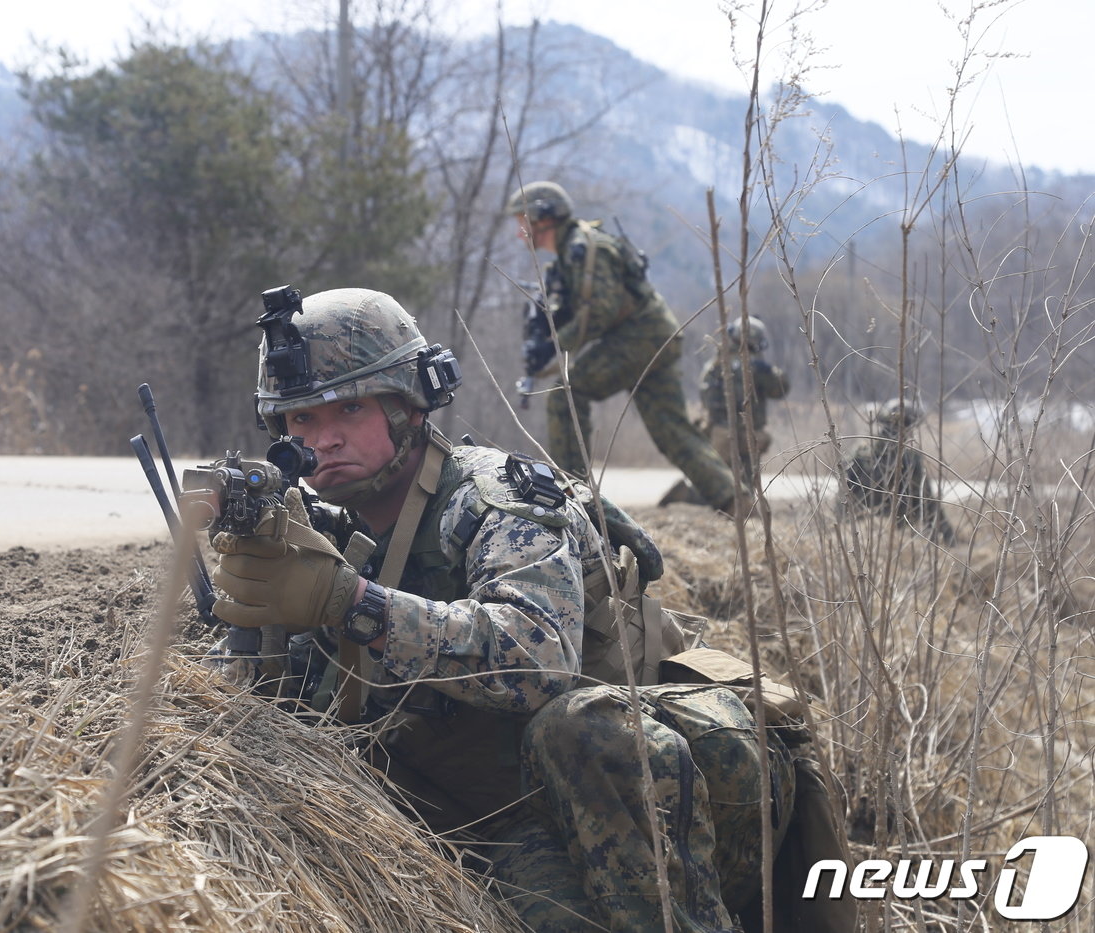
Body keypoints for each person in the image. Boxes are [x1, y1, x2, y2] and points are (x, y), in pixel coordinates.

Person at [203, 286, 849, 932]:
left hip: (671, 793)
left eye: (348, 407)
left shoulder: (494, 501)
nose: (323, 438)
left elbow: (537, 661)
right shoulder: (333, 532)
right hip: (519, 812)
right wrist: (258, 616)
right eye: (300, 420)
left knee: (576, 726)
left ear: (409, 406)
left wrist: (350, 603)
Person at [505, 181, 736, 513]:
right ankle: (736, 503)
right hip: (653, 337)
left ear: (543, 217)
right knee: (673, 432)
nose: (519, 233)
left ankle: (573, 499)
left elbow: (601, 310)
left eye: (522, 222)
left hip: (640, 338)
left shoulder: (585, 249)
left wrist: (558, 343)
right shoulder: (570, 257)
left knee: (566, 393)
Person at [841, 395, 955, 545]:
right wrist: (948, 537)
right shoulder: (910, 459)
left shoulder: (859, 452)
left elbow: (843, 499)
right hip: (896, 539)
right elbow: (927, 503)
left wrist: (843, 528)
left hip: (861, 536)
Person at [700, 318, 790, 486]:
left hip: (717, 433)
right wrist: (766, 368)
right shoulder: (754, 367)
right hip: (745, 434)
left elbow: (703, 396)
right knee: (744, 484)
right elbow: (781, 388)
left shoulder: (714, 365)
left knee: (718, 482)